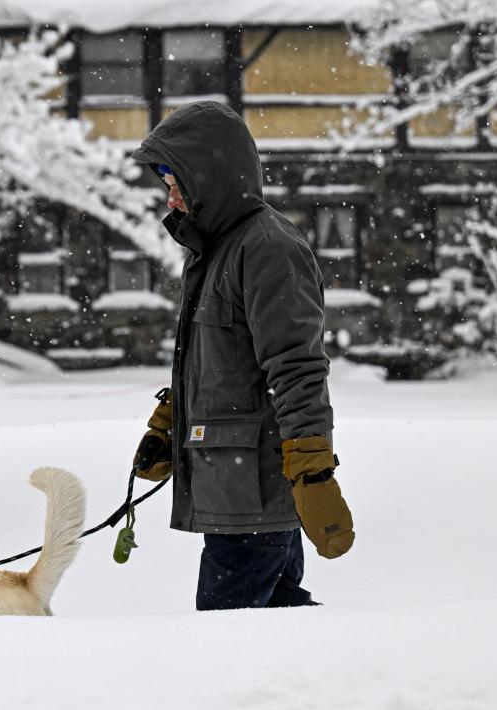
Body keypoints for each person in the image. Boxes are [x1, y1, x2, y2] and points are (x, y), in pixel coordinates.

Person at [127, 101, 355, 611]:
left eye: (174, 180)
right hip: (232, 481)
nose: (169, 194)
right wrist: (169, 425)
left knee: (224, 640)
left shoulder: (267, 248)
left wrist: (312, 470)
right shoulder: (216, 249)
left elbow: (296, 369)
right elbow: (218, 365)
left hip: (256, 490)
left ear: (207, 176)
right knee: (274, 626)